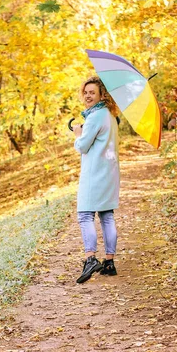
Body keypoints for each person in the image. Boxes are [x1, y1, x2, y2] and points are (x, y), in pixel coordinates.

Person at [73, 76, 120, 284]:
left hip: (94, 173)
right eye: (86, 92)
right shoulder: (109, 115)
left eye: (92, 92)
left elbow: (82, 146)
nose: (88, 96)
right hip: (109, 172)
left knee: (85, 215)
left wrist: (77, 133)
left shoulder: (94, 116)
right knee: (106, 216)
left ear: (102, 94)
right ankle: (109, 262)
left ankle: (90, 258)